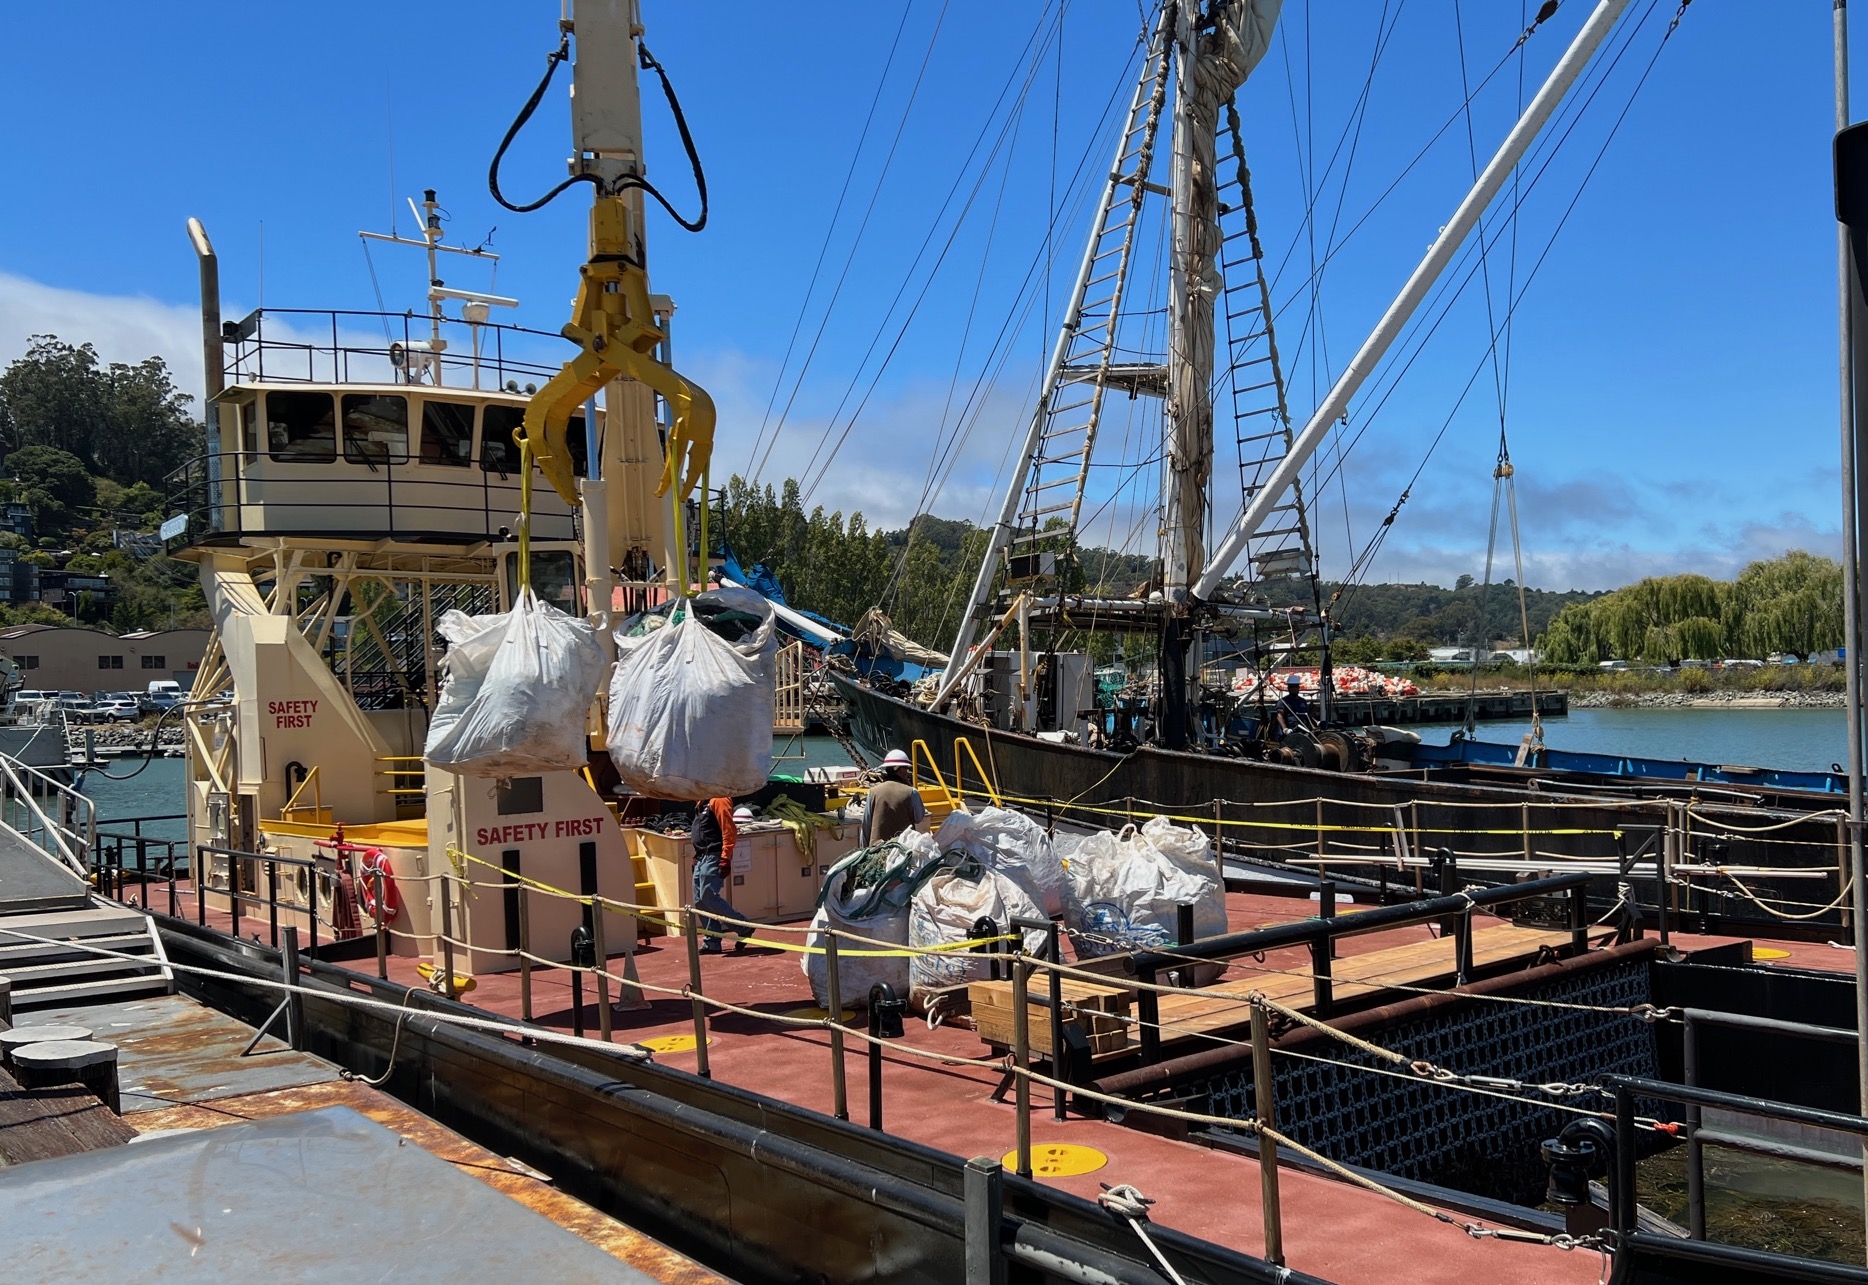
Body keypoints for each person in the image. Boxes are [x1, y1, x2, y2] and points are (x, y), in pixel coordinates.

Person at [690, 797, 755, 953]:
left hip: (714, 855)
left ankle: (743, 927)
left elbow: (728, 830)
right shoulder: (700, 802)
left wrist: (725, 857)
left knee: (708, 896)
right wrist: (696, 855)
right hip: (702, 856)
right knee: (699, 901)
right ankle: (712, 941)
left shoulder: (718, 800)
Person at [860, 748, 926, 846]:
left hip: (877, 850)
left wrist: (863, 851)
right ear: (898, 769)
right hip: (903, 849)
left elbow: (866, 826)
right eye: (906, 768)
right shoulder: (911, 792)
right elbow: (919, 817)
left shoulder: (873, 792)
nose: (907, 772)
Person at [1273, 675, 1315, 739]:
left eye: (1295, 686)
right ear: (1288, 688)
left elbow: (1307, 716)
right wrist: (1285, 729)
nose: (1293, 688)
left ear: (1298, 688)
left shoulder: (1303, 701)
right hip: (1289, 732)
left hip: (1302, 731)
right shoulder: (1283, 701)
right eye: (1291, 687)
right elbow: (1279, 715)